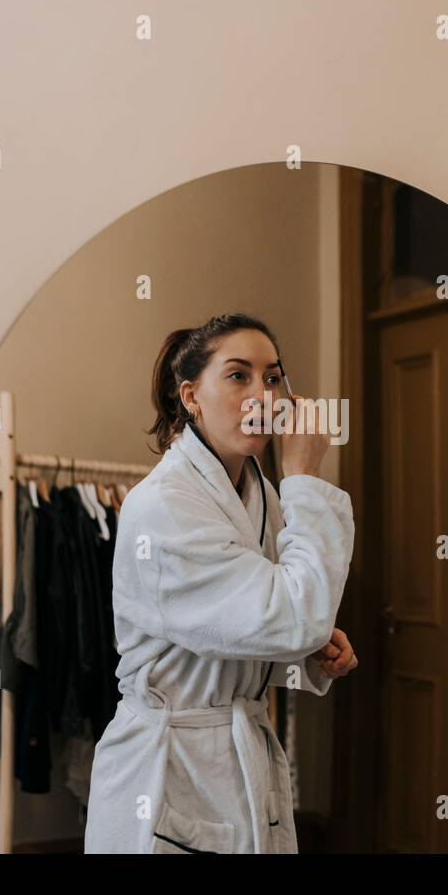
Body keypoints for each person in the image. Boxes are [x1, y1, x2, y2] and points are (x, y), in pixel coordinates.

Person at [85, 313, 358, 853]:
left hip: (236, 754)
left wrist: (310, 651)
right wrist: (304, 475)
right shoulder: (165, 505)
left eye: (273, 377)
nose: (262, 394)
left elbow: (273, 612)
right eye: (238, 376)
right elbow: (289, 614)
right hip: (170, 768)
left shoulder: (259, 495)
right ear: (191, 396)